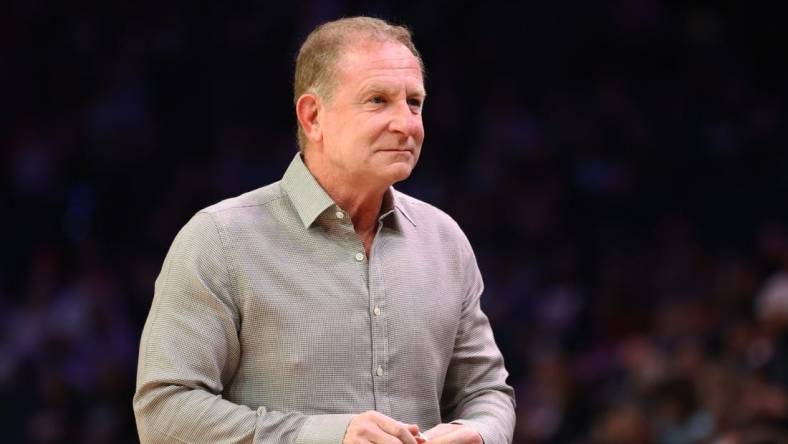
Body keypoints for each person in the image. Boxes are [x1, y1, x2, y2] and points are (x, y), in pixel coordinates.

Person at [134, 16, 515, 444]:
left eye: (414, 102)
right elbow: (164, 413)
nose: (406, 124)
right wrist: (327, 436)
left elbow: (486, 392)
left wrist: (478, 433)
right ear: (313, 116)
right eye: (377, 100)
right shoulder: (219, 241)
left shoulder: (445, 241)